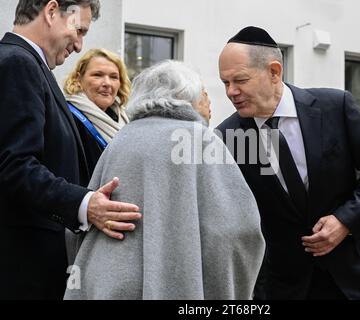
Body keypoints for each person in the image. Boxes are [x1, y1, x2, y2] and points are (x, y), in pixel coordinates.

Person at [216, 26, 360, 300]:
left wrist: (345, 220)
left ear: (274, 72)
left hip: (359, 272)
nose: (231, 92)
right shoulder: (226, 137)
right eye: (225, 83)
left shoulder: (336, 105)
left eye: (240, 80)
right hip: (288, 284)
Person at [64, 60, 265, 300]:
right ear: (185, 96)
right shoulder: (198, 139)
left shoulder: (121, 139)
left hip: (109, 284)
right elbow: (236, 230)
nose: (208, 100)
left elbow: (80, 227)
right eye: (203, 93)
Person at [0, 0, 141, 300]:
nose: (79, 46)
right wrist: (85, 204)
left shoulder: (30, 65)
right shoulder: (17, 63)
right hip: (23, 274)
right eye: (79, 31)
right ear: (51, 12)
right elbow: (14, 165)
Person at [64, 48, 131, 178]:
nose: (107, 83)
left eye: (113, 77)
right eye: (98, 75)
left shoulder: (127, 119)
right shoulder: (67, 117)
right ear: (78, 79)